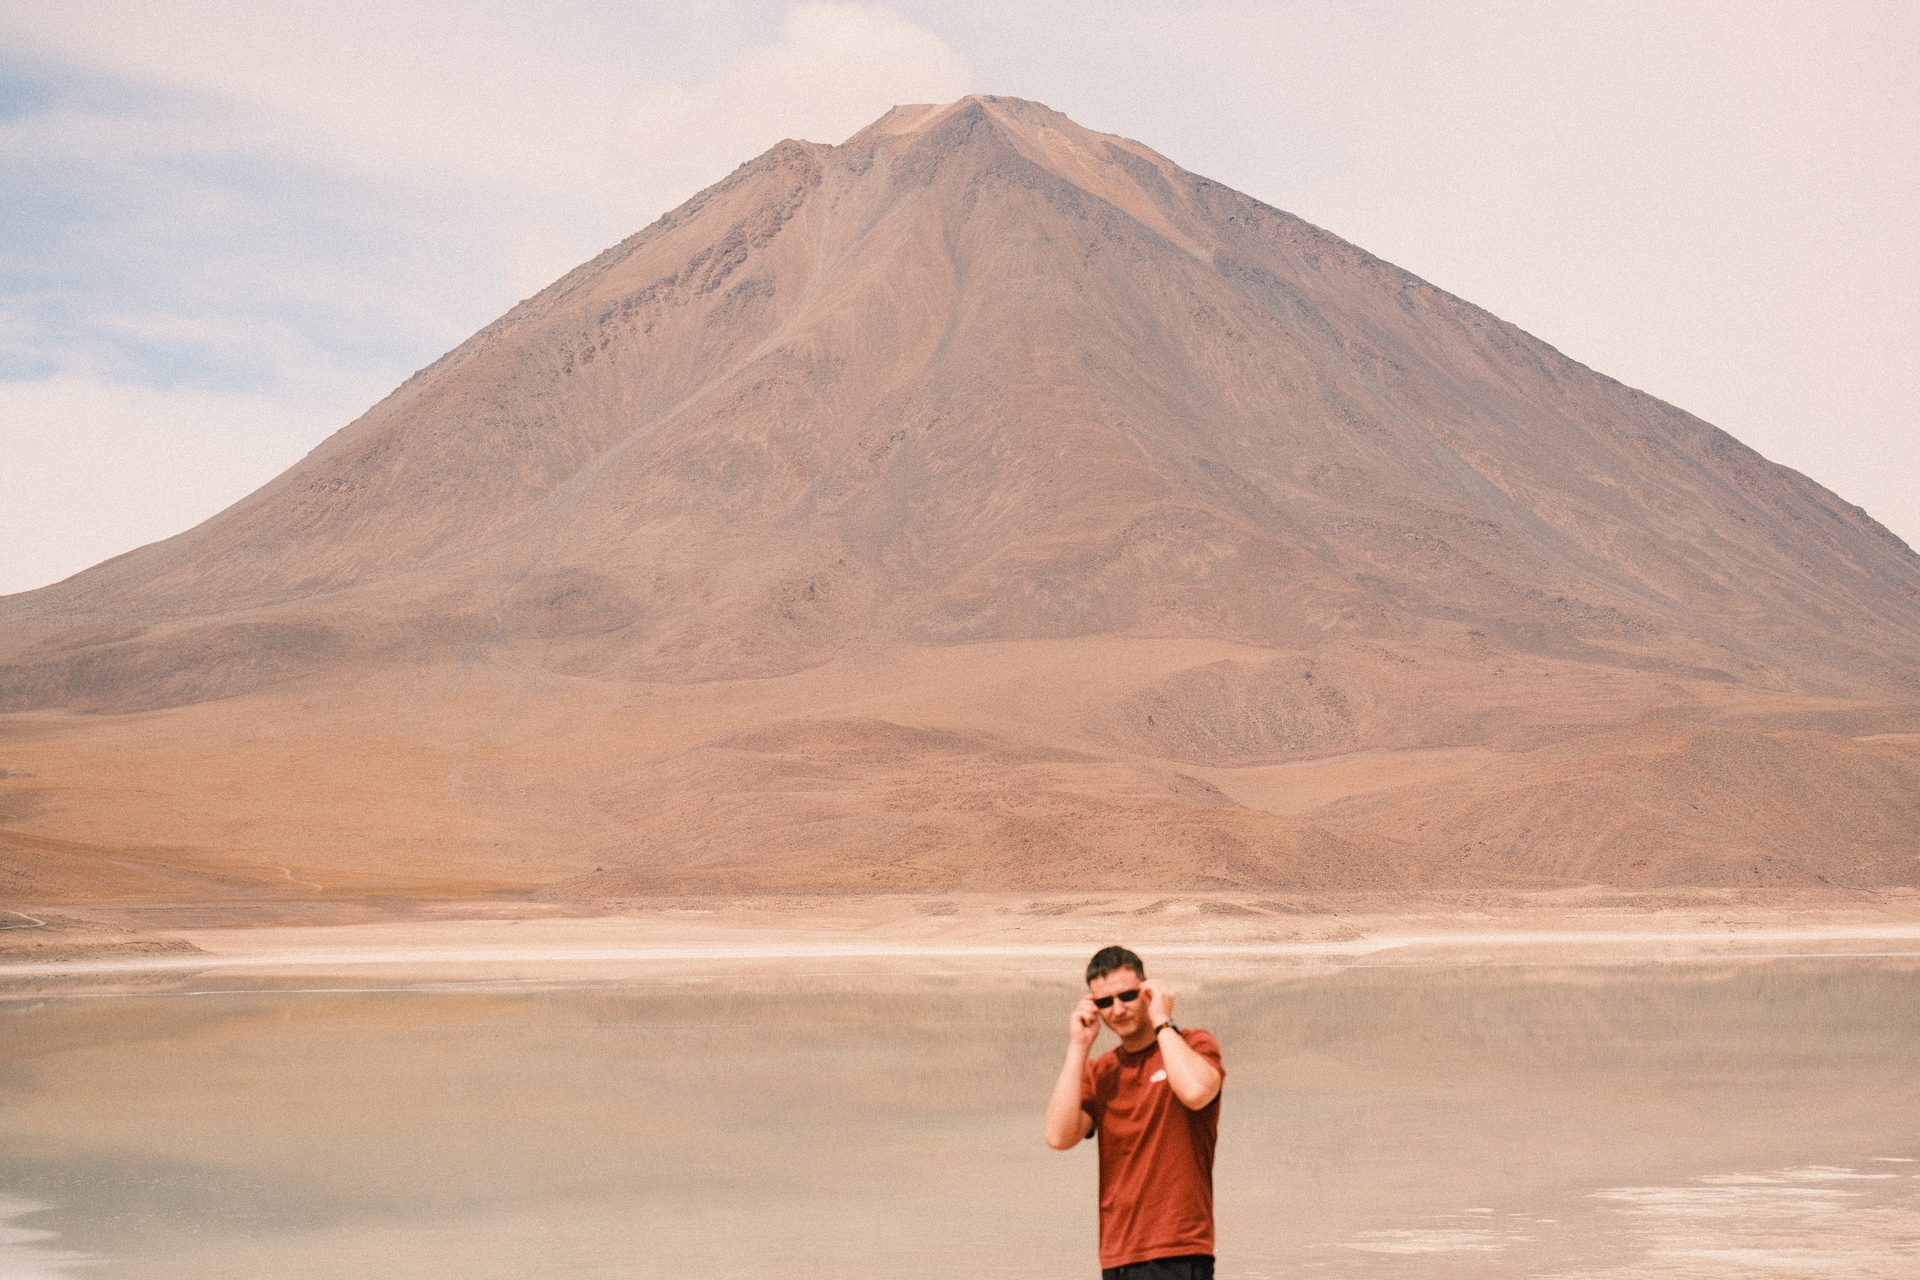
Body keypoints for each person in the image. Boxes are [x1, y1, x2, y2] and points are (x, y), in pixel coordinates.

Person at [1045, 945, 1225, 1279]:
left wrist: (1162, 1021)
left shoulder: (1194, 1045)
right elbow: (1058, 1136)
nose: (1117, 1009)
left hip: (1178, 1248)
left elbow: (1197, 1092)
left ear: (1147, 991)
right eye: (1104, 1002)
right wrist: (1078, 1046)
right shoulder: (1102, 1072)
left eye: (1127, 995)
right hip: (1118, 1252)